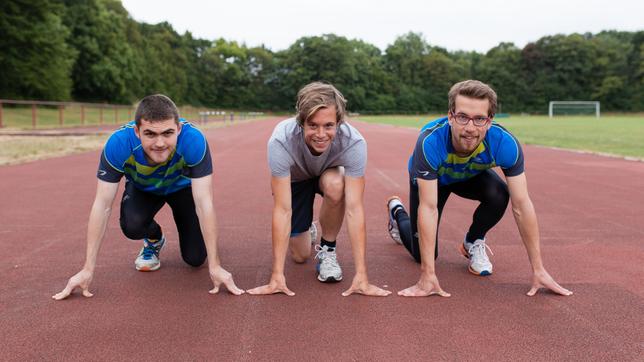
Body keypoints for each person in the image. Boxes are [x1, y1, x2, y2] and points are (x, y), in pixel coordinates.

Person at [387, 80, 573, 298]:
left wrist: (538, 269)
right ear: (450, 116)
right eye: (462, 117)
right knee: (423, 255)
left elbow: (521, 204)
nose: (470, 127)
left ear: (489, 121)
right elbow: (428, 208)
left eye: (479, 119)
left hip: (468, 174)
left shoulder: (504, 143)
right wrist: (428, 275)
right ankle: (397, 212)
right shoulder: (430, 142)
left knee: (500, 193)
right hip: (432, 179)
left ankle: (473, 240)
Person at [53, 94, 243, 300]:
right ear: (137, 131)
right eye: (150, 134)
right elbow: (102, 205)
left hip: (182, 189)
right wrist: (87, 269)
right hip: (143, 188)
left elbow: (204, 203)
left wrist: (215, 266)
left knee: (195, 259)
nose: (160, 143)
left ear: (179, 128)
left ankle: (201, 245)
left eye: (168, 133)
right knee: (132, 225)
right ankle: (154, 239)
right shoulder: (119, 144)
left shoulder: (193, 140)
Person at [247, 82, 390, 297]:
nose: (321, 134)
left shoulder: (354, 142)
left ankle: (328, 250)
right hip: (296, 179)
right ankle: (309, 230)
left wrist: (362, 275)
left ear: (339, 123)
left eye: (329, 126)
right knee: (300, 255)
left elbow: (354, 209)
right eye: (313, 125)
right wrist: (277, 275)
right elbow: (283, 210)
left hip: (330, 173)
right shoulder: (280, 140)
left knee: (336, 185)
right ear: (301, 122)